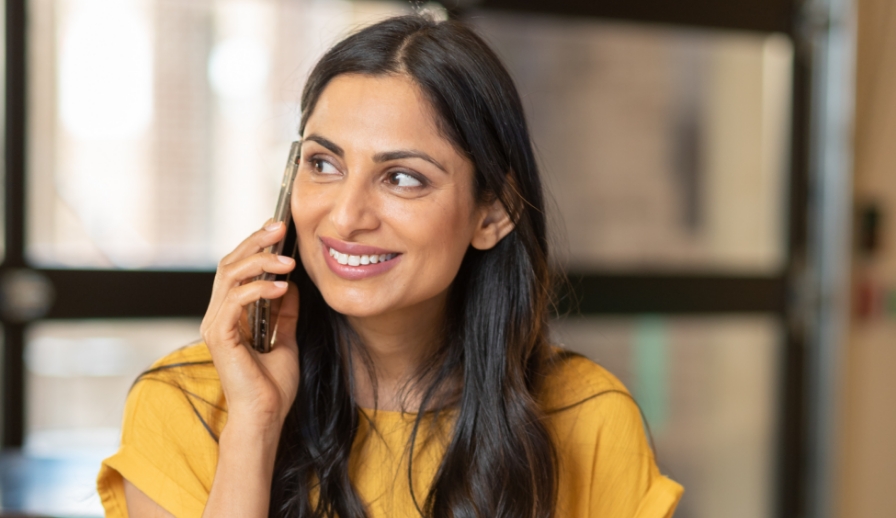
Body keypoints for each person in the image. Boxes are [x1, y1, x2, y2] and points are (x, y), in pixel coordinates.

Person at [97, 14, 682, 518]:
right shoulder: (192, 402)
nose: (346, 216)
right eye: (324, 164)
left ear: (494, 213)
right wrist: (255, 422)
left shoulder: (588, 418)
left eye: (402, 177)